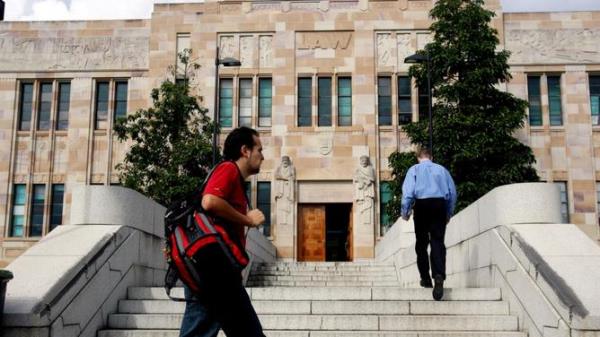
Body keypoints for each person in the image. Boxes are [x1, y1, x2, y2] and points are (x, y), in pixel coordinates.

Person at [179, 126, 266, 337]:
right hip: (215, 272)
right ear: (245, 150)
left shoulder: (234, 177)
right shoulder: (228, 169)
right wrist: (248, 220)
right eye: (259, 150)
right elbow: (209, 201)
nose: (262, 157)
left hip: (215, 271)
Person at [401, 147, 456, 301]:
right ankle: (438, 275)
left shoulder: (414, 169)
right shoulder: (442, 170)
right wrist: (448, 213)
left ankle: (425, 278)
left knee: (421, 243)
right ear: (431, 157)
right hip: (439, 205)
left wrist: (405, 212)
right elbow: (452, 193)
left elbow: (408, 193)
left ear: (418, 157)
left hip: (422, 206)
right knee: (438, 242)